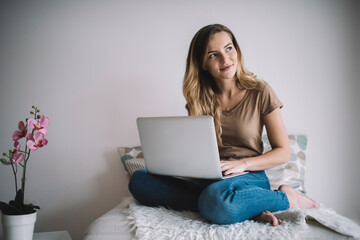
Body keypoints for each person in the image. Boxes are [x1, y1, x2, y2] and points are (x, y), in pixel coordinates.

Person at [129, 24, 319, 226]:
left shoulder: (260, 91)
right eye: (213, 55)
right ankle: (245, 208)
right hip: (211, 179)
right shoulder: (198, 99)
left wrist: (242, 164)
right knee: (140, 181)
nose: (225, 59)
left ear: (236, 49)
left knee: (215, 199)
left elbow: (282, 152)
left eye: (229, 48)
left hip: (249, 177)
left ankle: (287, 198)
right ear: (203, 64)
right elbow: (200, 150)